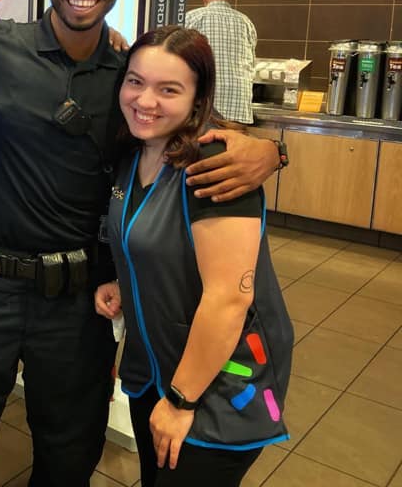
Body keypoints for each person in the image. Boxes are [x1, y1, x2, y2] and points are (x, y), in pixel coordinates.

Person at [0, 0, 285, 487]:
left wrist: (272, 150)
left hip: (79, 300)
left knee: (70, 450)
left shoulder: (129, 77)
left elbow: (199, 123)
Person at [95, 25, 293, 487]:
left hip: (221, 385)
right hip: (155, 370)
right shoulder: (136, 152)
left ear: (199, 97)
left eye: (169, 89)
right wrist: (124, 283)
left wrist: (182, 402)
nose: (145, 101)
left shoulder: (215, 165)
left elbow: (229, 298)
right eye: (135, 81)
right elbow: (152, 243)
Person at [184, 0, 257, 124]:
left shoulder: (191, 18)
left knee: (204, 145)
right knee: (236, 146)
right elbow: (252, 64)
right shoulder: (246, 22)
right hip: (238, 106)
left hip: (204, 106)